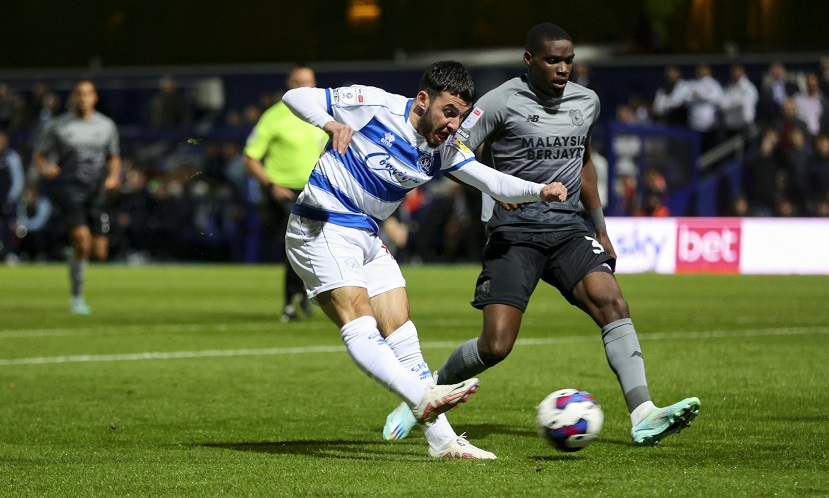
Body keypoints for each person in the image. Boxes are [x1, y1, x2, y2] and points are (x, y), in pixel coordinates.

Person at [382, 23, 700, 447]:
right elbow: (451, 155)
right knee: (496, 346)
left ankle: (643, 414)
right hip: (514, 233)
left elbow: (584, 162)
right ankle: (424, 395)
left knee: (612, 302)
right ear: (529, 60)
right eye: (553, 60)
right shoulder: (498, 103)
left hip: (568, 229)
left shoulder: (587, 102)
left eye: (568, 60)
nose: (563, 68)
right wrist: (496, 189)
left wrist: (600, 228)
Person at [281, 60, 568, 459]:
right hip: (321, 224)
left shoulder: (442, 149)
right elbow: (294, 96)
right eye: (448, 111)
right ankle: (421, 398)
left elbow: (491, 180)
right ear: (422, 99)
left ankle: (442, 442)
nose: (454, 124)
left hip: (366, 235)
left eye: (460, 116)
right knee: (360, 319)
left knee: (402, 332)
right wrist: (330, 124)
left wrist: (540, 190)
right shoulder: (375, 105)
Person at [243, 65, 330, 322]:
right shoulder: (274, 116)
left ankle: (301, 294)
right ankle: (290, 303)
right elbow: (250, 157)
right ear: (289, 85)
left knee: (314, 246)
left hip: (316, 190)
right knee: (298, 242)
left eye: (310, 82)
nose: (306, 88)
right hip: (284, 191)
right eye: (300, 82)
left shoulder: (322, 114)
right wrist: (271, 185)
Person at [34, 80, 121, 314]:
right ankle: (77, 297)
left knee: (99, 252)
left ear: (94, 98)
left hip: (97, 191)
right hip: (70, 189)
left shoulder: (106, 126)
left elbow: (114, 156)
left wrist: (114, 176)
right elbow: (40, 155)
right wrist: (46, 167)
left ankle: (74, 256)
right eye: (79, 94)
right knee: (82, 241)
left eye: (87, 94)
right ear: (73, 98)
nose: (83, 99)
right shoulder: (58, 126)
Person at [1, 129, 25, 263]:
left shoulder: (11, 157)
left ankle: (10, 253)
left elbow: (18, 181)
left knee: (10, 228)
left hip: (7, 200)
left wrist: (10, 198)